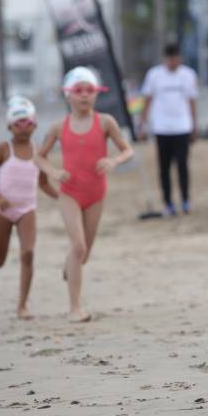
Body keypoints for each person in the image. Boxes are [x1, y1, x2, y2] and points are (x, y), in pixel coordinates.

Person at [36, 67, 134, 323]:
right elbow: (39, 156)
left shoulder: (106, 122)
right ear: (68, 95)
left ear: (96, 94)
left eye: (89, 91)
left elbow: (127, 151)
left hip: (96, 194)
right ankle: (75, 308)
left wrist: (113, 161)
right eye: (78, 91)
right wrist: (53, 172)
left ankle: (71, 265)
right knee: (78, 246)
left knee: (84, 253)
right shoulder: (59, 127)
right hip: (69, 194)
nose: (84, 96)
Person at [0, 97, 58, 320]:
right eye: (18, 123)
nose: (23, 128)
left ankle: (22, 305)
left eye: (28, 122)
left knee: (28, 253)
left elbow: (43, 183)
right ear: (9, 126)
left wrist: (60, 197)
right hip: (2, 210)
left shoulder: (39, 151)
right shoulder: (4, 149)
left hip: (27, 210)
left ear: (35, 124)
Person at [138, 43, 199, 216]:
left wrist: (194, 125)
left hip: (182, 127)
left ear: (179, 58)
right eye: (170, 59)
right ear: (165, 59)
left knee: (182, 165)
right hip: (162, 128)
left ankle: (185, 200)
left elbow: (192, 101)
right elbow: (147, 100)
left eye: (176, 58)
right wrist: (142, 124)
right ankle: (168, 203)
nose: (173, 62)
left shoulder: (188, 75)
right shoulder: (154, 75)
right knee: (163, 167)